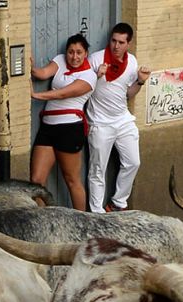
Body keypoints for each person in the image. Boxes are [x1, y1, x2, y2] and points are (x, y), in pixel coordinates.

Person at [86, 22, 150, 213]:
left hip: (123, 120)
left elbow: (129, 94)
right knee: (97, 169)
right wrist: (96, 76)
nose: (116, 46)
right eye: (113, 41)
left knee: (133, 162)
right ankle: (97, 212)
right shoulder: (96, 59)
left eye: (121, 42)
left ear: (128, 43)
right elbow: (83, 89)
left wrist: (140, 81)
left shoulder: (132, 61)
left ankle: (117, 203)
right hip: (99, 122)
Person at [29, 34, 97, 211]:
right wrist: (28, 63)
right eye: (71, 52)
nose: (74, 57)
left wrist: (36, 95)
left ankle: (81, 221)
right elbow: (42, 73)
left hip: (69, 129)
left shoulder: (89, 76)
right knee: (36, 181)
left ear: (86, 54)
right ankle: (42, 219)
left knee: (72, 179)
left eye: (79, 53)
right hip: (47, 128)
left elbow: (63, 93)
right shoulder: (60, 60)